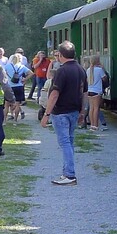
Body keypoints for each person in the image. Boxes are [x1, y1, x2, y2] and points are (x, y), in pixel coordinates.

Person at [41, 41, 86, 185]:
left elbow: (54, 94)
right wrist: (82, 112)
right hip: (74, 111)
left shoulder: (61, 71)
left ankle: (70, 175)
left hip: (60, 112)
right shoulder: (81, 69)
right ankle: (67, 171)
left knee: (65, 142)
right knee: (70, 142)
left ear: (60, 55)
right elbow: (84, 93)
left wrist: (46, 114)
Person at [85, 56, 107, 130]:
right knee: (96, 108)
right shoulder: (99, 70)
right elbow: (104, 79)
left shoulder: (88, 70)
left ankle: (92, 125)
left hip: (90, 91)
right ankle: (96, 125)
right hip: (97, 91)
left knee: (91, 108)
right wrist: (103, 68)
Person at [6, 52, 30, 120]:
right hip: (19, 86)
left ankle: (4, 120)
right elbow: (31, 73)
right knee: (17, 104)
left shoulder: (7, 66)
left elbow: (3, 73)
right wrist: (25, 79)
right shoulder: (22, 66)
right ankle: (16, 120)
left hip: (9, 86)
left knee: (7, 104)